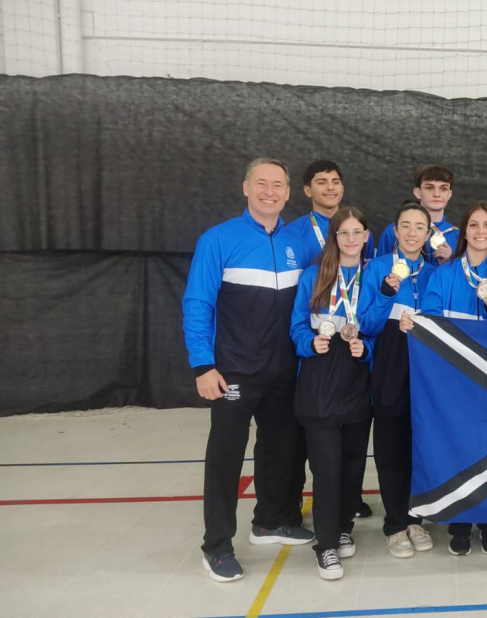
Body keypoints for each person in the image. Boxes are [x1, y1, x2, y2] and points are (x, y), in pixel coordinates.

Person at [182, 158, 314, 582]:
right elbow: (197, 303)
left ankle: (271, 521)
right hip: (234, 371)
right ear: (245, 188)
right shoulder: (218, 240)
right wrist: (203, 364)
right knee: (225, 458)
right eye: (262, 184)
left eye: (278, 185)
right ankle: (216, 546)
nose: (270, 192)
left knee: (279, 449)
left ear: (289, 193)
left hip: (286, 369)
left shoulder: (300, 242)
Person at [400, 200, 487, 556]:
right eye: (474, 225)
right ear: (463, 231)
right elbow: (431, 321)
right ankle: (460, 521)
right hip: (453, 380)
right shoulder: (445, 275)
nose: (481, 231)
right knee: (459, 448)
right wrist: (414, 323)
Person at [289, 207, 374, 580]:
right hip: (320, 379)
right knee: (326, 469)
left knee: (353, 465)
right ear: (334, 237)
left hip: (356, 379)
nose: (351, 239)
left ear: (367, 236)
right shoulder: (314, 275)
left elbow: (375, 327)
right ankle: (325, 547)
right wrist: (310, 342)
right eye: (344, 233)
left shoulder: (372, 276)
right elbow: (294, 328)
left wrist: (365, 349)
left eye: (357, 232)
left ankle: (342, 527)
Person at [358, 202, 438, 559]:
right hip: (390, 367)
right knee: (391, 449)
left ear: (428, 233)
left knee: (421, 448)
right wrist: (388, 293)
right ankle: (394, 524)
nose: (411, 232)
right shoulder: (376, 268)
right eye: (404, 225)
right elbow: (366, 325)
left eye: (419, 227)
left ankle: (416, 517)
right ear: (395, 229)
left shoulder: (437, 272)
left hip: (428, 371)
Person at [289, 160, 376, 267]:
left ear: (342, 189)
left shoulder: (360, 232)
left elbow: (369, 274)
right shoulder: (292, 232)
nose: (331, 187)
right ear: (308, 191)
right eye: (321, 182)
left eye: (336, 182)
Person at [377, 164, 458, 265]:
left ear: (449, 194)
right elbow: (379, 269)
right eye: (430, 188)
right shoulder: (395, 230)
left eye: (443, 189)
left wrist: (449, 263)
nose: (437, 194)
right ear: (418, 192)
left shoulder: (458, 236)